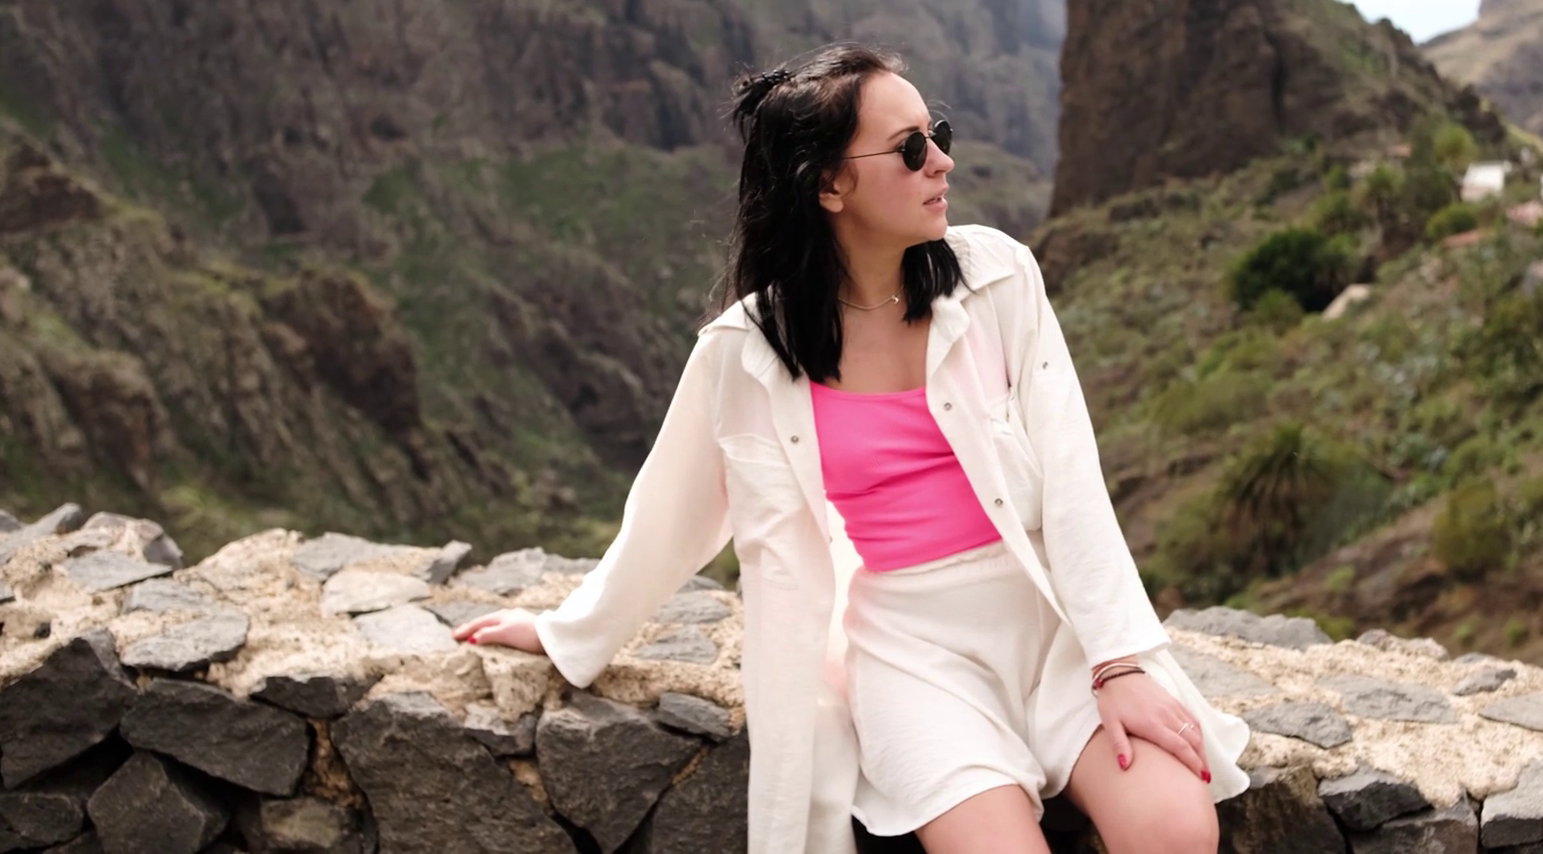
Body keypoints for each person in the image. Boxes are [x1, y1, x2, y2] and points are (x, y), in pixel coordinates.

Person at [451, 43, 1250, 854]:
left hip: (1054, 627)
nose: (941, 161)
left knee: (1175, 831)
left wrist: (1119, 663)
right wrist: (567, 634)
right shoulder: (747, 352)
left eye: (937, 134)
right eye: (909, 148)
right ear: (829, 185)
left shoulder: (1000, 278)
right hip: (915, 656)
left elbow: (1076, 477)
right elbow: (671, 515)